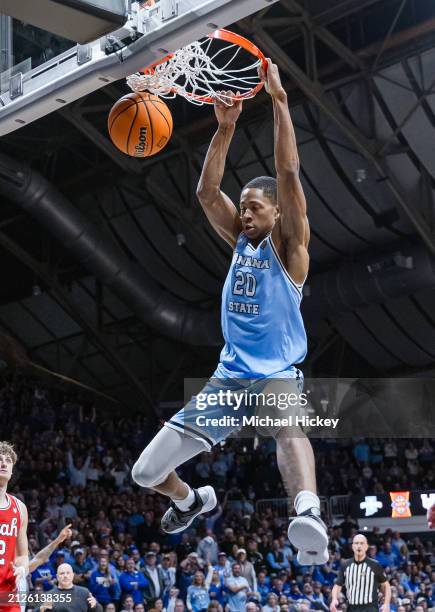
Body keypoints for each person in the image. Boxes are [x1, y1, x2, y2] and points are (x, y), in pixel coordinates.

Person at [131, 58, 327, 565]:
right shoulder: (240, 240)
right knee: (144, 473)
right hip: (227, 379)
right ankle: (190, 500)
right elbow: (204, 192)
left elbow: (287, 171)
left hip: (274, 374)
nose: (245, 212)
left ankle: (306, 508)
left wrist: (280, 102)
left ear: (278, 213)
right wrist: (226, 128)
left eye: (254, 207)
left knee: (289, 426)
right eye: (242, 206)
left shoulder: (290, 248)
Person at [0, 442, 29, 612]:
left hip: (8, 593)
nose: (4, 463)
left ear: (12, 471)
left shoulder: (19, 508)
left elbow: (23, 555)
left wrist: (22, 568)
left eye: (8, 460)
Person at [330, 534, 391, 612]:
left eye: (362, 543)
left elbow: (386, 586)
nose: (359, 546)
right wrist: (334, 599)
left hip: (370, 608)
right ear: (352, 547)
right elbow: (337, 585)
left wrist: (386, 603)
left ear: (366, 547)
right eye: (356, 543)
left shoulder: (375, 565)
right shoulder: (345, 565)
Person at [37, 562, 102, 611]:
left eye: (68, 573)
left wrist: (95, 605)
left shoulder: (84, 592)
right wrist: (42, 609)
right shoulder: (49, 595)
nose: (65, 576)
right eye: (62, 573)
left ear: (72, 575)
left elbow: (99, 610)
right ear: (57, 576)